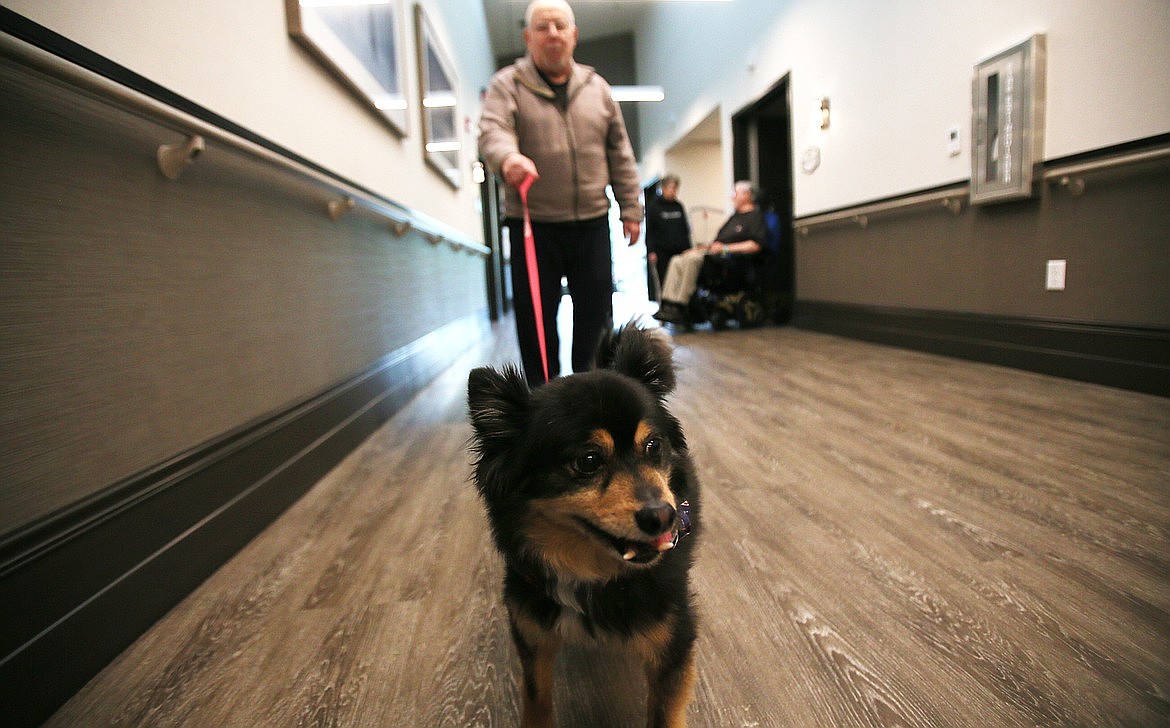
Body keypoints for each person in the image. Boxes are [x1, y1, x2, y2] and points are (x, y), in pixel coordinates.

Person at [478, 0, 643, 386]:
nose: (551, 33)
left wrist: (631, 207)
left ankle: (593, 395)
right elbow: (492, 130)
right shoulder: (508, 84)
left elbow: (620, 151)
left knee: (596, 317)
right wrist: (508, 158)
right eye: (542, 27)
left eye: (559, 25)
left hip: (591, 221)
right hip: (532, 223)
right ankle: (543, 403)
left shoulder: (597, 89)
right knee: (536, 320)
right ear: (527, 37)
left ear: (573, 34)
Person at [653, 180, 766, 325]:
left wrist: (725, 248)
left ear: (747, 195)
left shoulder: (755, 217)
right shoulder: (734, 217)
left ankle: (680, 305)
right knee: (678, 258)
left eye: (735, 193)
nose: (732, 197)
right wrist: (698, 249)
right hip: (714, 252)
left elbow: (755, 245)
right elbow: (716, 243)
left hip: (729, 259)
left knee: (691, 260)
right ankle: (668, 304)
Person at [644, 173, 691, 302]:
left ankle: (678, 308)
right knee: (664, 281)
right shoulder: (654, 206)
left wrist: (689, 248)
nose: (674, 191)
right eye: (671, 188)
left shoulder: (678, 206)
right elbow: (650, 231)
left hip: (680, 250)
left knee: (680, 281)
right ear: (663, 188)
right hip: (662, 251)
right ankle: (664, 307)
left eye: (676, 188)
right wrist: (651, 251)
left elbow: (685, 229)